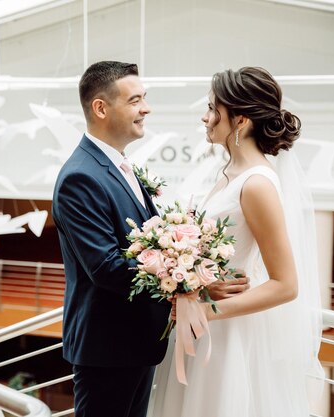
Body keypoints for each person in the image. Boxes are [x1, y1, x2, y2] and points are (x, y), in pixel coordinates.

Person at [52, 61, 249, 417]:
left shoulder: (117, 165)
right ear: (101, 108)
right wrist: (194, 285)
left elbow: (144, 243)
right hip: (107, 348)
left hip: (136, 341)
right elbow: (107, 268)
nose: (146, 108)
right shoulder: (79, 178)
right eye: (135, 100)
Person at [149, 67, 323, 417]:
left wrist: (207, 311)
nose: (205, 117)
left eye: (214, 109)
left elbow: (286, 285)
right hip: (203, 324)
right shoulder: (229, 173)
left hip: (229, 334)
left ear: (240, 121)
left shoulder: (257, 183)